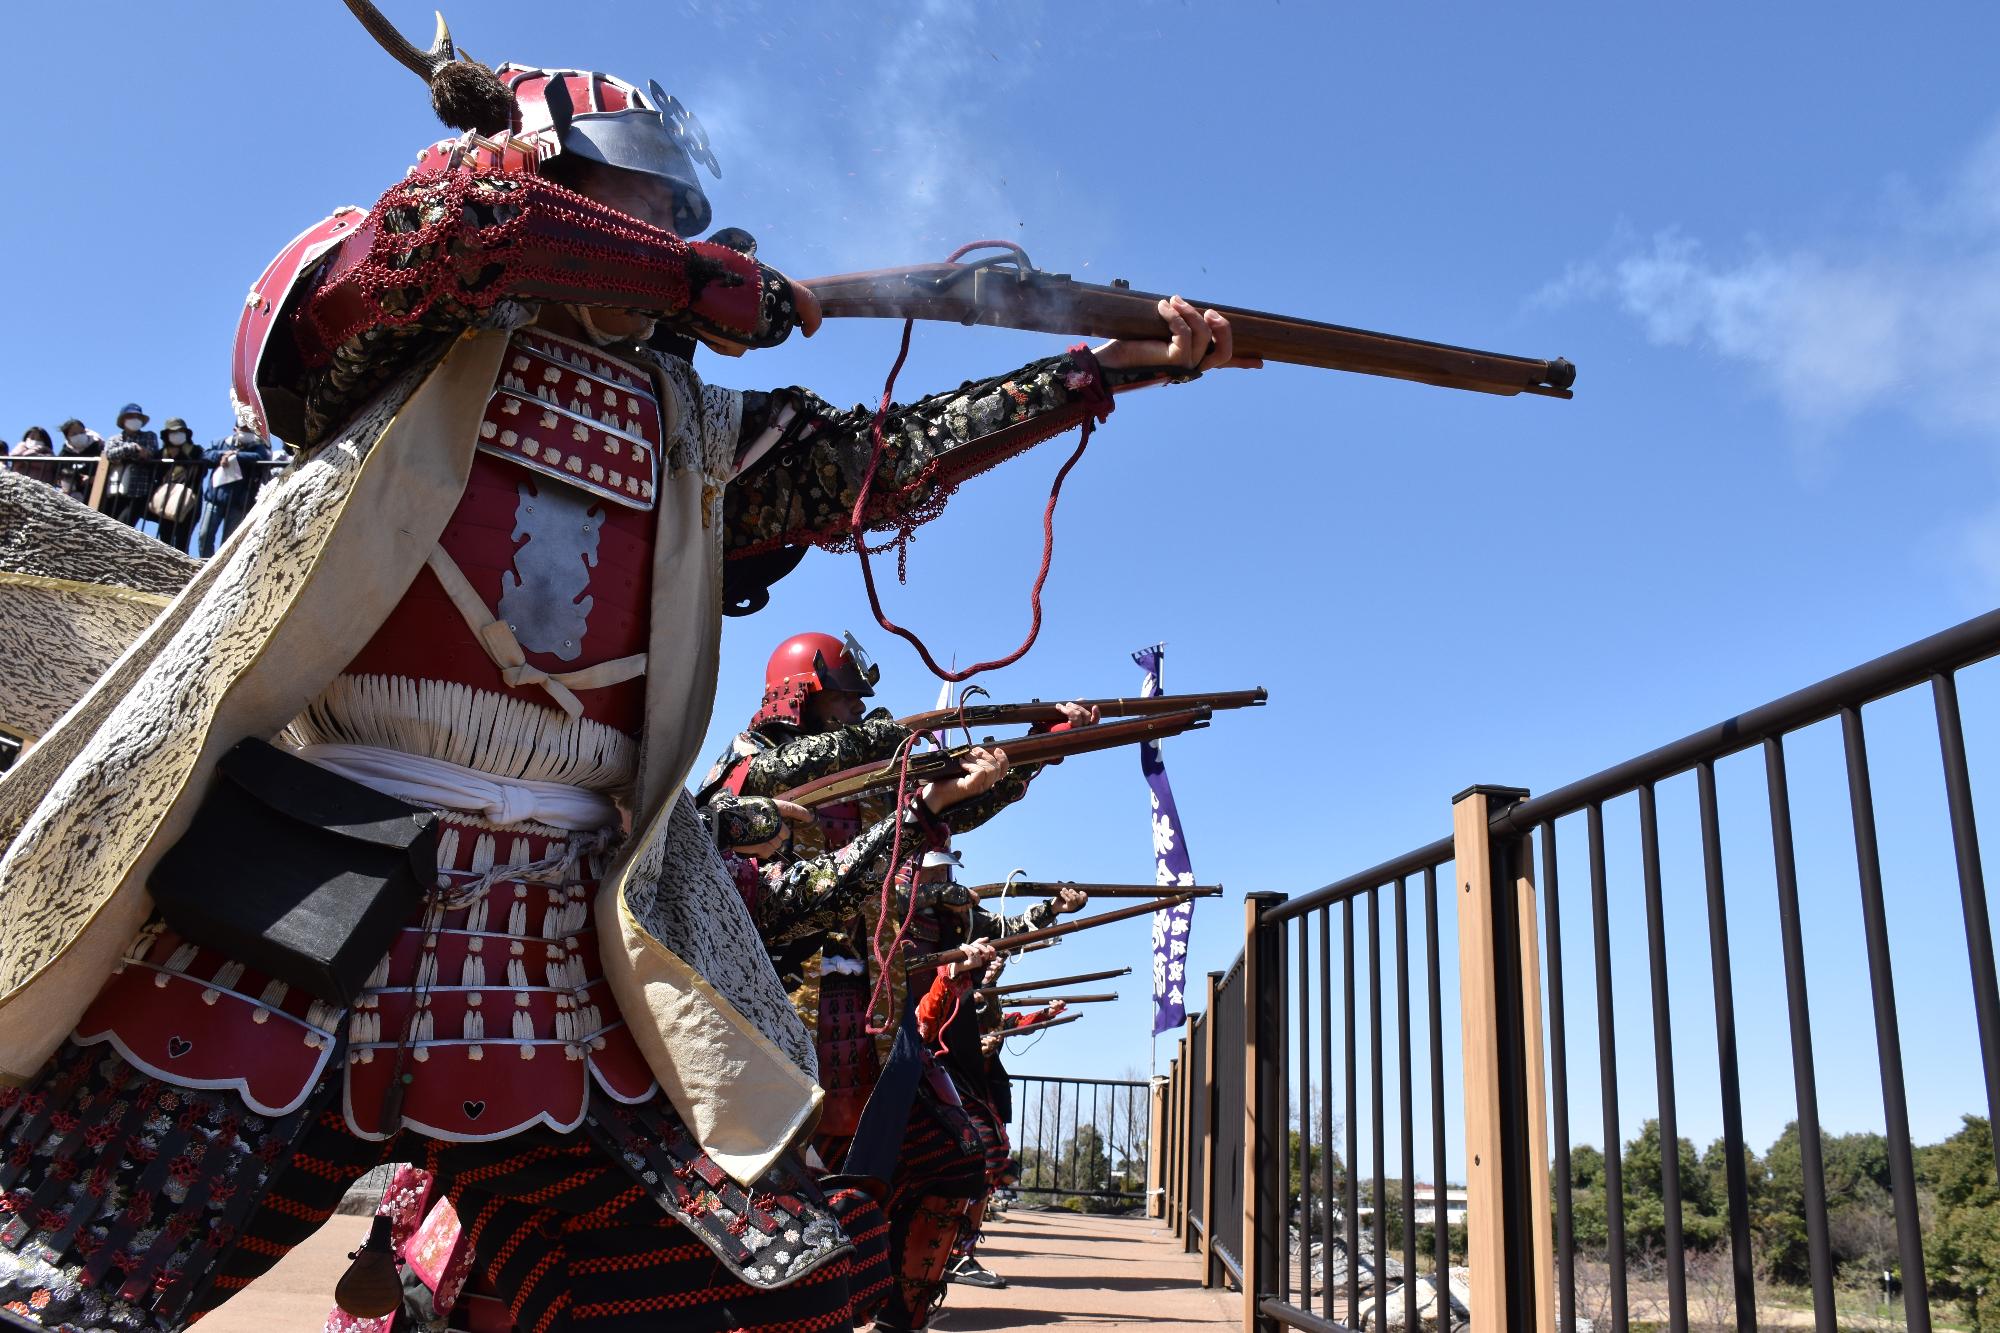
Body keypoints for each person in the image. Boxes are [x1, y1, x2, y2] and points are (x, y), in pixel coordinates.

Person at [0, 5, 1250, 1331]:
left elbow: (871, 461)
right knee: (60, 1292)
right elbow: (455, 241)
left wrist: (1095, 374)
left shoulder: (686, 429)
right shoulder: (393, 334)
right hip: (302, 881)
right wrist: (710, 288)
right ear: (544, 172)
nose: (667, 227)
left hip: (552, 931)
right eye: (631, 199)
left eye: (673, 210)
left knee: (771, 1292)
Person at [196, 420, 272, 556]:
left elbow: (261, 457)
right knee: (205, 535)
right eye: (244, 429)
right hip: (215, 498)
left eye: (250, 429)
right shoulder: (221, 443)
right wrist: (222, 455)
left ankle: (220, 570)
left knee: (228, 542)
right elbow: (205, 455)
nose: (246, 432)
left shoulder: (257, 446)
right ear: (235, 429)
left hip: (239, 502)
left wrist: (236, 456)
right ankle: (204, 563)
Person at [149, 416, 207, 551]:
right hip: (166, 502)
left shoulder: (197, 451)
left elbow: (201, 471)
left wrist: (182, 456)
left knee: (182, 541)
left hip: (190, 503)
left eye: (180, 431)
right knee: (165, 540)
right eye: (173, 432)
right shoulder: (160, 454)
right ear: (166, 435)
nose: (177, 435)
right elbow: (154, 474)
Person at [99, 401, 159, 527]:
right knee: (108, 525)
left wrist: (125, 453)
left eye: (138, 417)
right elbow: (110, 454)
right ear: (123, 419)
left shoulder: (149, 436)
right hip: (114, 490)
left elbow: (149, 454)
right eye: (131, 417)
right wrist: (133, 448)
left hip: (138, 490)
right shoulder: (114, 439)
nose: (135, 420)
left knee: (124, 525)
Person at [54, 417, 102, 501]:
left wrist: (92, 478)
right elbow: (58, 475)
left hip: (95, 496)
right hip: (72, 497)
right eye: (74, 434)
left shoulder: (98, 448)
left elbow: (105, 469)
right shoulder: (64, 454)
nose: (79, 435)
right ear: (67, 437)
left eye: (81, 432)